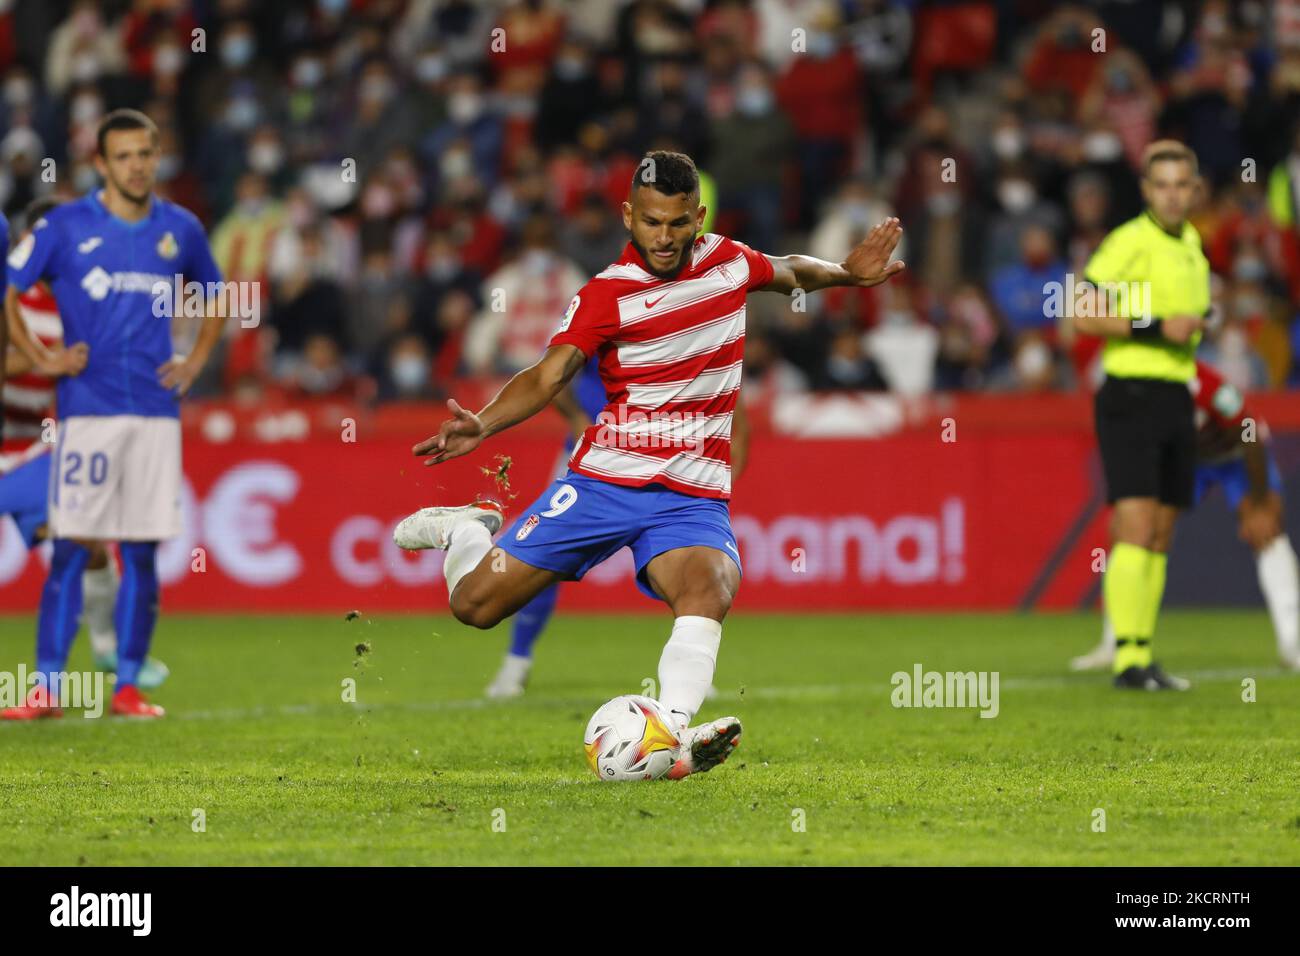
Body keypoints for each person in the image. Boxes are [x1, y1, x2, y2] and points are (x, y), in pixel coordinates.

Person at [394, 150, 904, 777]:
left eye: (678, 223)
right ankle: (467, 529)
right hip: (604, 482)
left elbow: (790, 270)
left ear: (699, 218)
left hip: (690, 497)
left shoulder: (729, 262)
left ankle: (670, 738)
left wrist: (847, 274)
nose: (665, 238)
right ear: (630, 216)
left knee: (710, 585)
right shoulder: (606, 295)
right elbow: (549, 374)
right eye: (653, 222)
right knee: (474, 606)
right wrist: (484, 422)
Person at [2, 109, 223, 719]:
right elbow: (9, 289)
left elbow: (216, 294)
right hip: (88, 412)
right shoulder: (66, 225)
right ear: (100, 164)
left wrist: (195, 360)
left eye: (145, 153)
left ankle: (127, 686)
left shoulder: (181, 228)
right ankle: (47, 686)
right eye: (123, 156)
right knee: (72, 547)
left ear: (157, 156)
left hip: (155, 411)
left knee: (143, 551)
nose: (136, 165)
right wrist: (40, 358)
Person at [1, 199, 171, 699]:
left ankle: (107, 650)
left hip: (37, 442)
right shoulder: (13, 298)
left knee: (85, 540)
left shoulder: (92, 299)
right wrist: (45, 360)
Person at [1072, 140, 1210, 690]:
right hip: (1130, 391)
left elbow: (1189, 321)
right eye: (1163, 185)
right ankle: (1127, 657)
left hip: (1178, 393)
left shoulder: (1194, 245)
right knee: (1133, 523)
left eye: (1182, 185)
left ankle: (1144, 653)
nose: (1173, 196)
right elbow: (1082, 312)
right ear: (1147, 191)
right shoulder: (1129, 241)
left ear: (1193, 189)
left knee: (1160, 530)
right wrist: (1155, 325)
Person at [1072, 359, 1300, 672]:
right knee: (1132, 534)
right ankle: (1116, 640)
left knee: (1265, 531)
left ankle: (1292, 643)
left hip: (1233, 457)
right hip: (1184, 461)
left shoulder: (1205, 384)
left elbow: (1249, 430)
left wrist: (1259, 500)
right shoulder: (1130, 390)